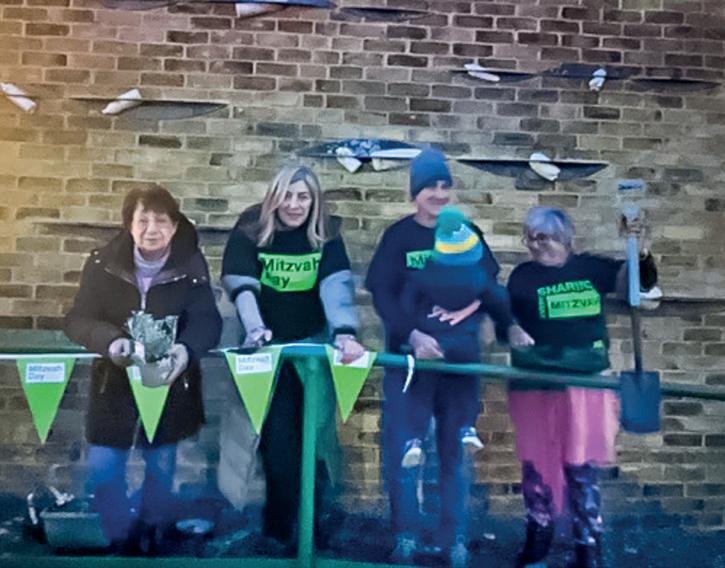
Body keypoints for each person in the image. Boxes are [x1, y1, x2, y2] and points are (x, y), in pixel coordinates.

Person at [365, 149, 531, 566]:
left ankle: (453, 538)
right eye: (430, 187)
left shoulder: (466, 231)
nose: (439, 194)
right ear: (414, 193)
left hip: (459, 362)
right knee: (405, 449)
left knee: (456, 450)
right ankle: (405, 536)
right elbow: (383, 295)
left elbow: (488, 282)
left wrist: (468, 309)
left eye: (444, 186)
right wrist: (413, 335)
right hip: (409, 362)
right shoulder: (398, 237)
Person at [65, 184, 222, 554]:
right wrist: (110, 342)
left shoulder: (191, 266)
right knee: (104, 468)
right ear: (129, 225)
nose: (152, 229)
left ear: (174, 225)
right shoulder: (102, 263)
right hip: (114, 380)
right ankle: (118, 536)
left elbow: (207, 321)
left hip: (169, 381)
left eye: (161, 220)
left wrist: (185, 350)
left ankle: (152, 536)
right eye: (143, 220)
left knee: (160, 468)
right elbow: (78, 319)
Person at [221, 164, 365, 552]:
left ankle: (313, 527)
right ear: (274, 197)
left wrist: (344, 332)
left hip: (313, 350)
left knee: (316, 440)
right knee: (277, 443)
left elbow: (335, 285)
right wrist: (255, 328)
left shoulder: (326, 232)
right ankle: (279, 529)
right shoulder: (251, 227)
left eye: (303, 197)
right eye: (287, 195)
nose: (295, 204)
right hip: (268, 352)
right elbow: (242, 284)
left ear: (314, 201)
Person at [506, 207, 658, 568]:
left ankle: (588, 548)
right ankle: (537, 542)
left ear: (565, 239)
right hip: (536, 382)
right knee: (536, 467)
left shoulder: (591, 268)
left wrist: (640, 250)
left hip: (585, 383)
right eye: (529, 237)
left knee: (581, 467)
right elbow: (504, 315)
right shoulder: (522, 276)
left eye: (542, 237)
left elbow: (635, 284)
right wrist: (511, 328)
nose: (534, 244)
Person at [399, 205, 516, 464]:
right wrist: (495, 319)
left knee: (421, 390)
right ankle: (467, 428)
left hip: (431, 340)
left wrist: (414, 328)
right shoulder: (477, 277)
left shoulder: (424, 274)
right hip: (464, 342)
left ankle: (414, 440)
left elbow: (405, 304)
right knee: (467, 385)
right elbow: (497, 296)